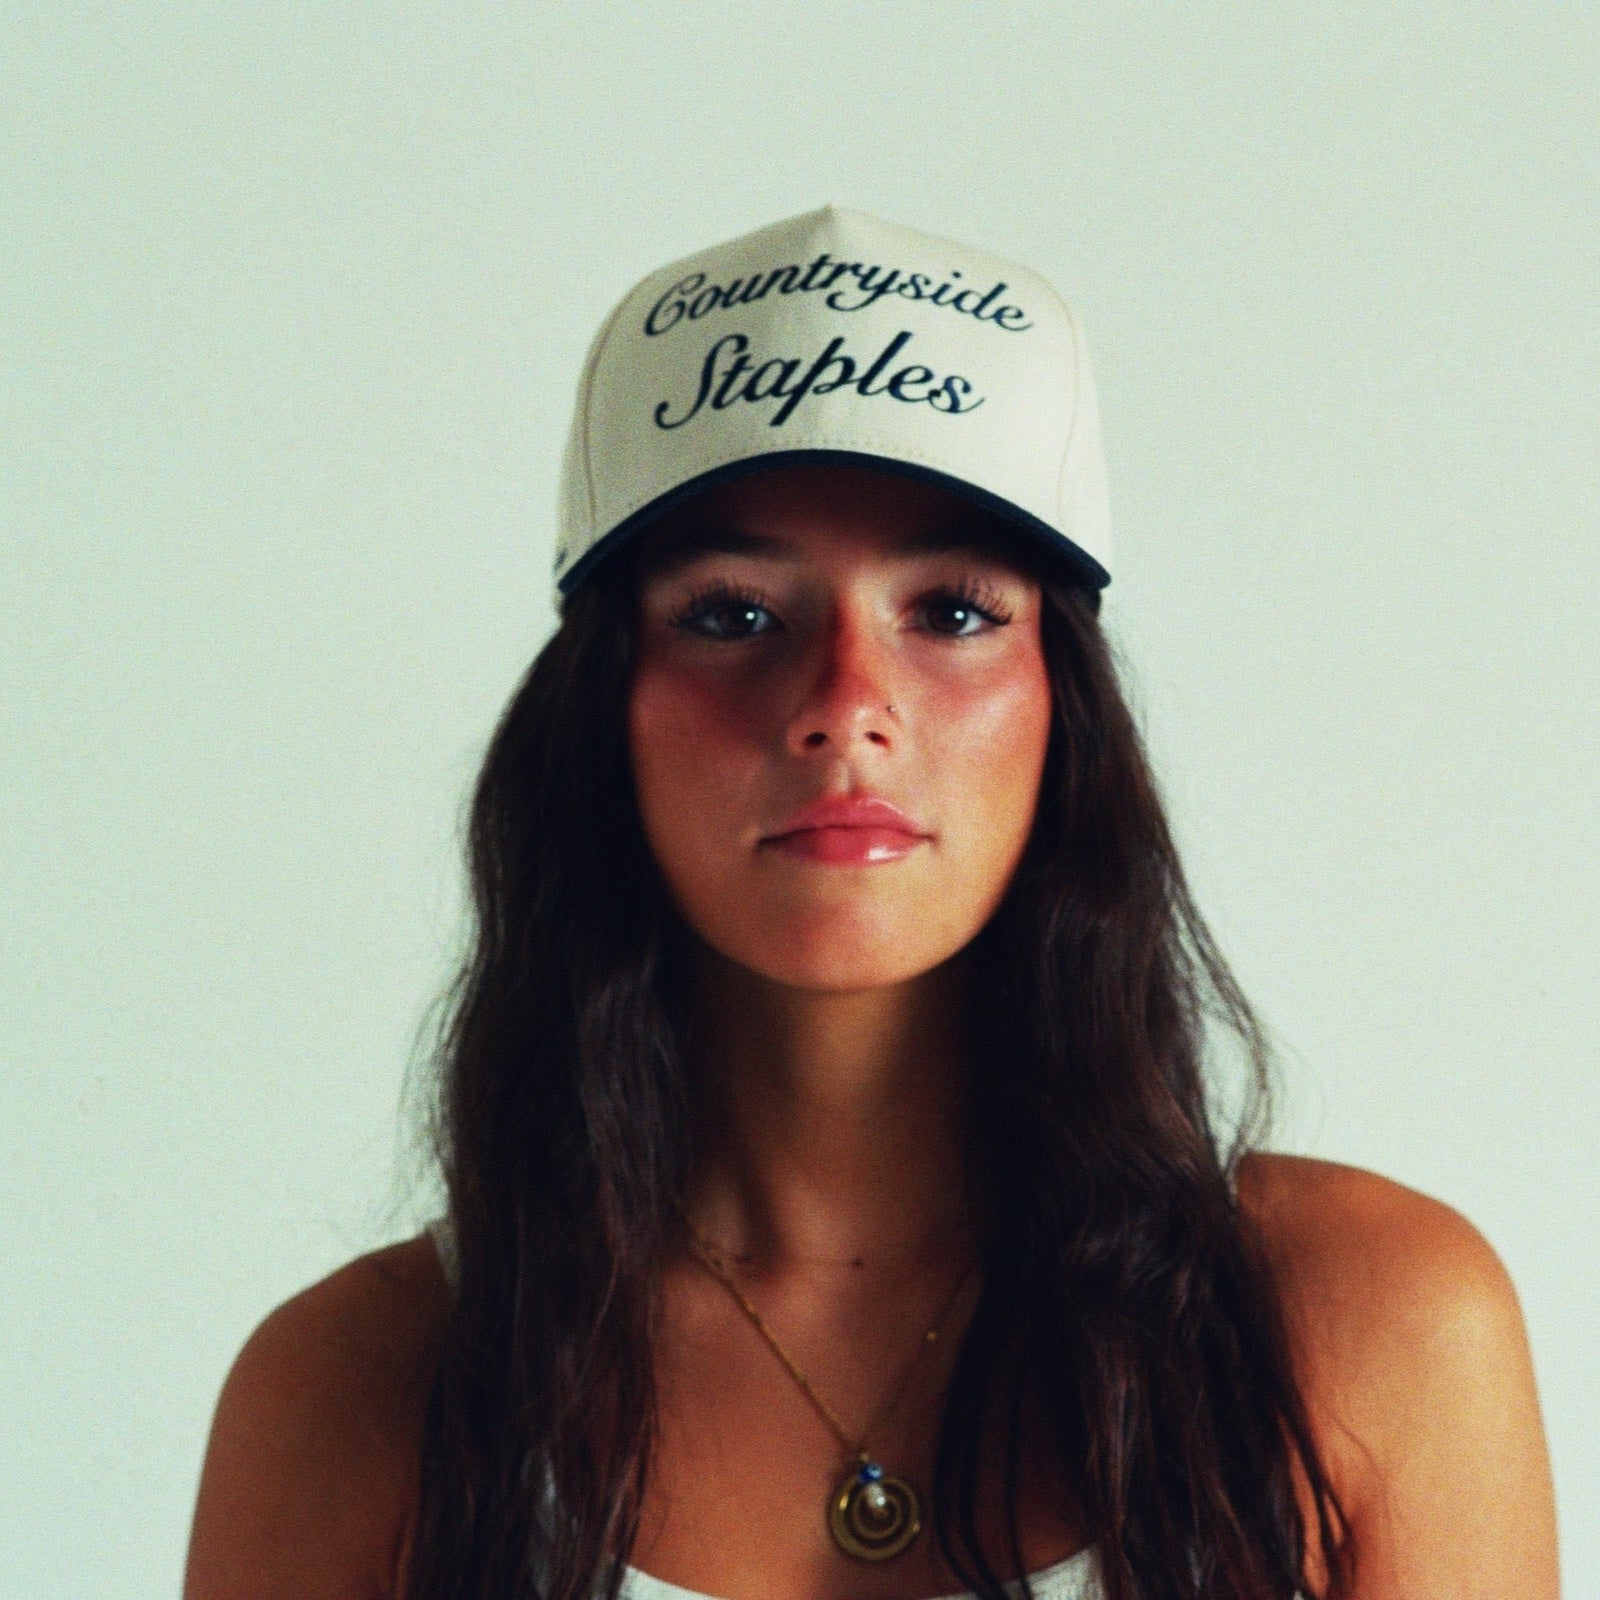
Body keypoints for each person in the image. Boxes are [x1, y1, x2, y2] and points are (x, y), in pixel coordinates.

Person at [184, 207, 1559, 1600]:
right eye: (732, 613)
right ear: (600, 714)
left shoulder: (1375, 1332)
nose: (847, 708)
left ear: (1063, 706)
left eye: (952, 611)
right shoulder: (355, 1392)